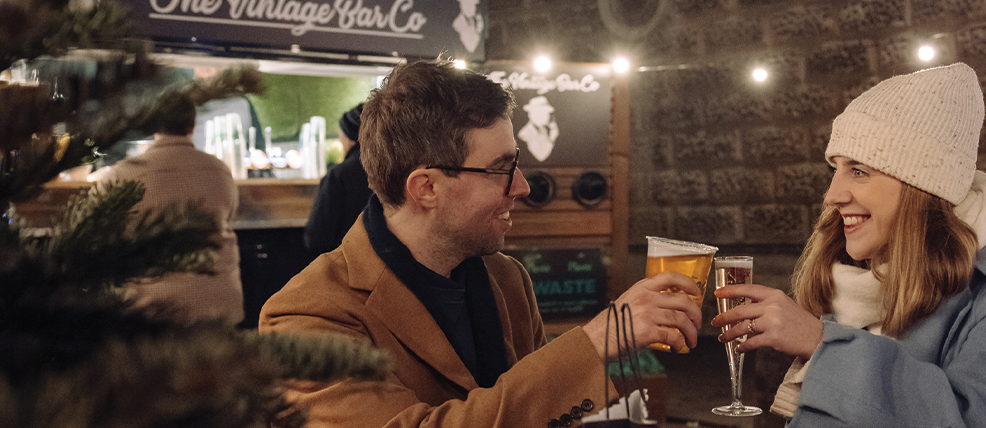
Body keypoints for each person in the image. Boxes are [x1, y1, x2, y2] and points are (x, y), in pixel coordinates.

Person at [259, 59, 702, 428]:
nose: (524, 186)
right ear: (426, 187)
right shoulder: (307, 313)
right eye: (500, 168)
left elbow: (539, 413)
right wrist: (595, 341)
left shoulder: (506, 278)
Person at [713, 63, 986, 427]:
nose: (831, 195)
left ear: (921, 186)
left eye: (858, 171)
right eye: (836, 169)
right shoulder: (854, 281)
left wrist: (823, 344)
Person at [98, 93, 243, 324]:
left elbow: (96, 226)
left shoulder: (123, 173)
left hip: (150, 307)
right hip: (219, 302)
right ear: (192, 126)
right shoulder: (220, 170)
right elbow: (230, 213)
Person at [303, 103, 372, 255]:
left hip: (347, 264)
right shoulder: (393, 168)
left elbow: (318, 236)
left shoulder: (340, 175)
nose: (340, 139)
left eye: (342, 134)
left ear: (351, 138)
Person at [517, 95, 560, 162]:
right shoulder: (525, 133)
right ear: (534, 114)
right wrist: (551, 139)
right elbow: (541, 157)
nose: (548, 116)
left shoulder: (543, 129)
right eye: (545, 113)